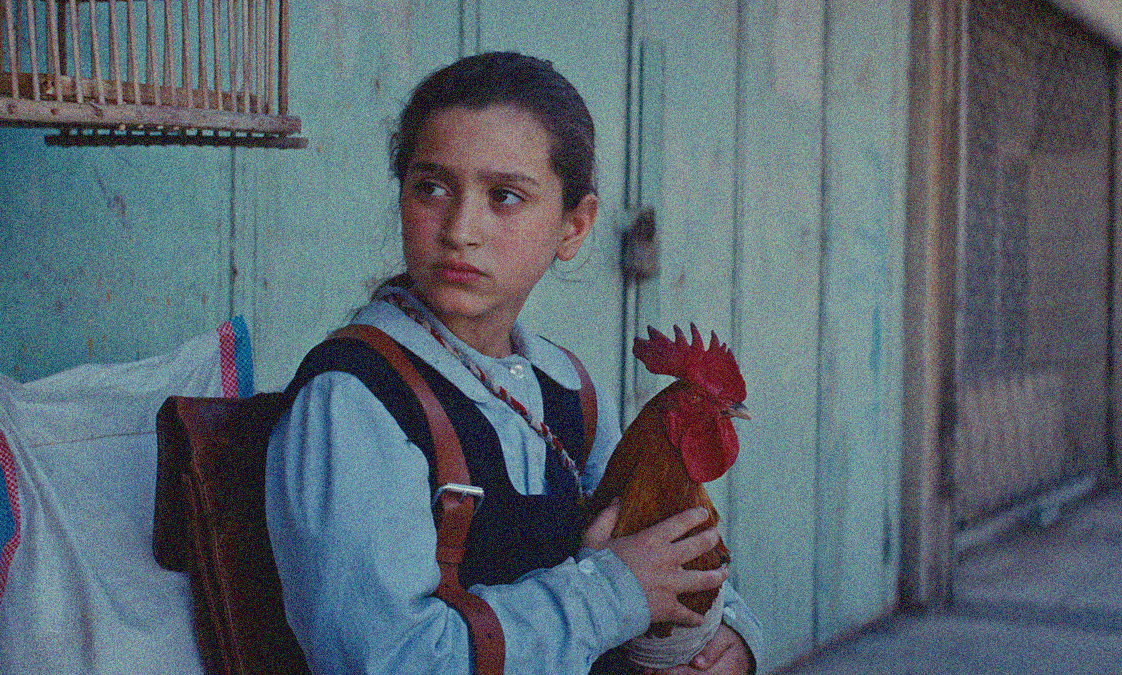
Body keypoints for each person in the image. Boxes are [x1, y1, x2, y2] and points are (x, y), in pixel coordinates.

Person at [265, 51, 763, 674]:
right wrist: (611, 593)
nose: (461, 229)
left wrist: (732, 639)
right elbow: (384, 660)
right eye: (431, 187)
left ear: (573, 227)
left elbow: (656, 541)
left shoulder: (564, 387)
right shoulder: (355, 400)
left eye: (504, 196)